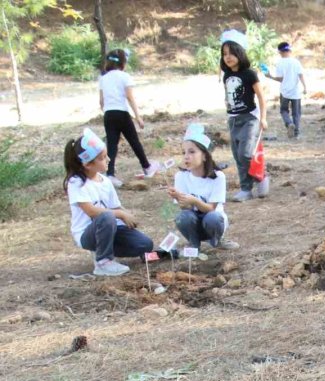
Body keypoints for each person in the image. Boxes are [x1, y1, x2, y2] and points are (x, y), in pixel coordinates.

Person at [64, 128, 153, 277]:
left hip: (111, 227)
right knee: (107, 216)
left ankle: (105, 250)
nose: (109, 160)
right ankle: (103, 262)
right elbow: (91, 211)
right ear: (87, 164)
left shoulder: (105, 181)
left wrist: (127, 216)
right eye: (103, 158)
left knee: (145, 244)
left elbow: (115, 206)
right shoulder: (76, 182)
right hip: (88, 233)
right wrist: (120, 214)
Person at [169, 124, 238, 256]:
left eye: (192, 152)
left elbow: (212, 209)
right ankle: (193, 244)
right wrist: (179, 198)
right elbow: (185, 210)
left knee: (213, 217)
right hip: (194, 222)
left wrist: (194, 200)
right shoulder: (181, 176)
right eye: (184, 152)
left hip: (212, 222)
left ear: (205, 156)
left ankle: (217, 240)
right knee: (183, 217)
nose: (186, 156)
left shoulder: (218, 177)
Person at [98, 49, 159, 188]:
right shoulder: (125, 77)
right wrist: (138, 117)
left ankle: (110, 173)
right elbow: (130, 97)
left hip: (108, 114)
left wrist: (107, 110)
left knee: (112, 144)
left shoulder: (103, 78)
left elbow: (101, 101)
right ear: (123, 63)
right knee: (134, 141)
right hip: (122, 113)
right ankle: (147, 166)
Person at [220, 29, 269, 202]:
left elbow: (261, 98)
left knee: (245, 153)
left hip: (250, 118)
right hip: (234, 120)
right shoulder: (227, 75)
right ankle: (245, 189)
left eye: (232, 53)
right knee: (237, 155)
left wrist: (263, 118)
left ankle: (261, 176)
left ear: (240, 53)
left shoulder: (250, 74)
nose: (228, 57)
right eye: (225, 54)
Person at [262, 41, 306, 139]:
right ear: (289, 50)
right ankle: (296, 132)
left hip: (285, 92)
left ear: (280, 52)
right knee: (296, 113)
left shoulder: (280, 63)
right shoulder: (296, 62)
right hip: (296, 92)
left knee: (284, 110)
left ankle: (289, 123)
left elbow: (280, 79)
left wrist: (270, 77)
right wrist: (305, 87)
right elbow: (301, 75)